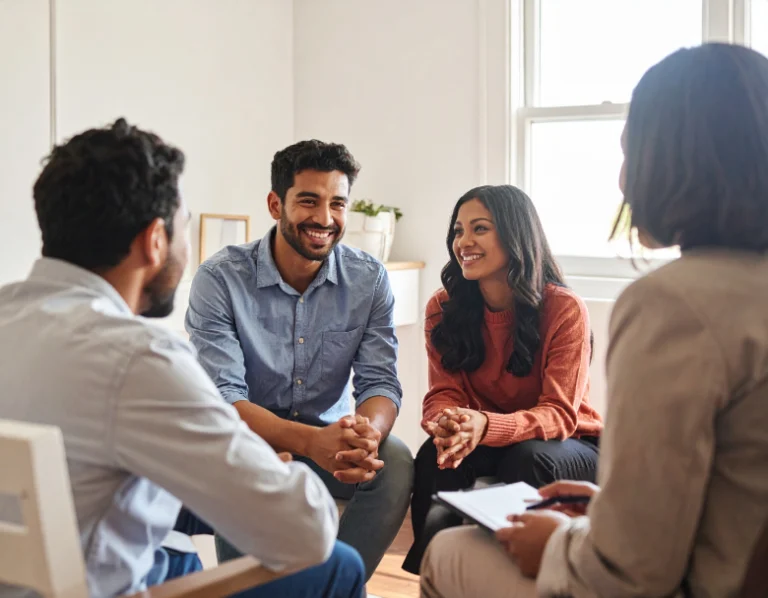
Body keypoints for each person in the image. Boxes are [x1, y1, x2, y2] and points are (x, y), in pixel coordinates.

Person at [420, 42, 768, 598]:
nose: (625, 181)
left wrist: (557, 542)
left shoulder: (672, 305)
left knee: (450, 552)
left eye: (632, 152)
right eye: (459, 230)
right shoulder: (445, 305)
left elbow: (631, 566)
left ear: (675, 162)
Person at [0, 119, 364, 598]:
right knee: (338, 564)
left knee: (180, 552)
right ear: (155, 240)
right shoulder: (137, 358)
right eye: (183, 225)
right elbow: (305, 532)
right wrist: (268, 461)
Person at [184, 139, 413, 580]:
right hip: (249, 439)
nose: (325, 219)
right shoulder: (220, 279)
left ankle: (335, 585)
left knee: (395, 460)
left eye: (337, 204)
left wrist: (365, 434)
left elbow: (380, 382)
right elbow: (225, 402)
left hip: (328, 437)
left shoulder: (369, 279)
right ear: (276, 204)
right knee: (243, 459)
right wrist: (311, 443)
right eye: (309, 201)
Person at [402, 184, 603, 574]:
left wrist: (485, 424)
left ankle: (511, 574)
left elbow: (560, 415)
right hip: (490, 436)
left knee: (527, 458)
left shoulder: (564, 308)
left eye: (480, 228)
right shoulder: (443, 308)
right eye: (458, 230)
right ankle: (436, 573)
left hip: (570, 443)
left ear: (515, 234)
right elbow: (443, 392)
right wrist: (448, 423)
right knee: (435, 455)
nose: (464, 241)